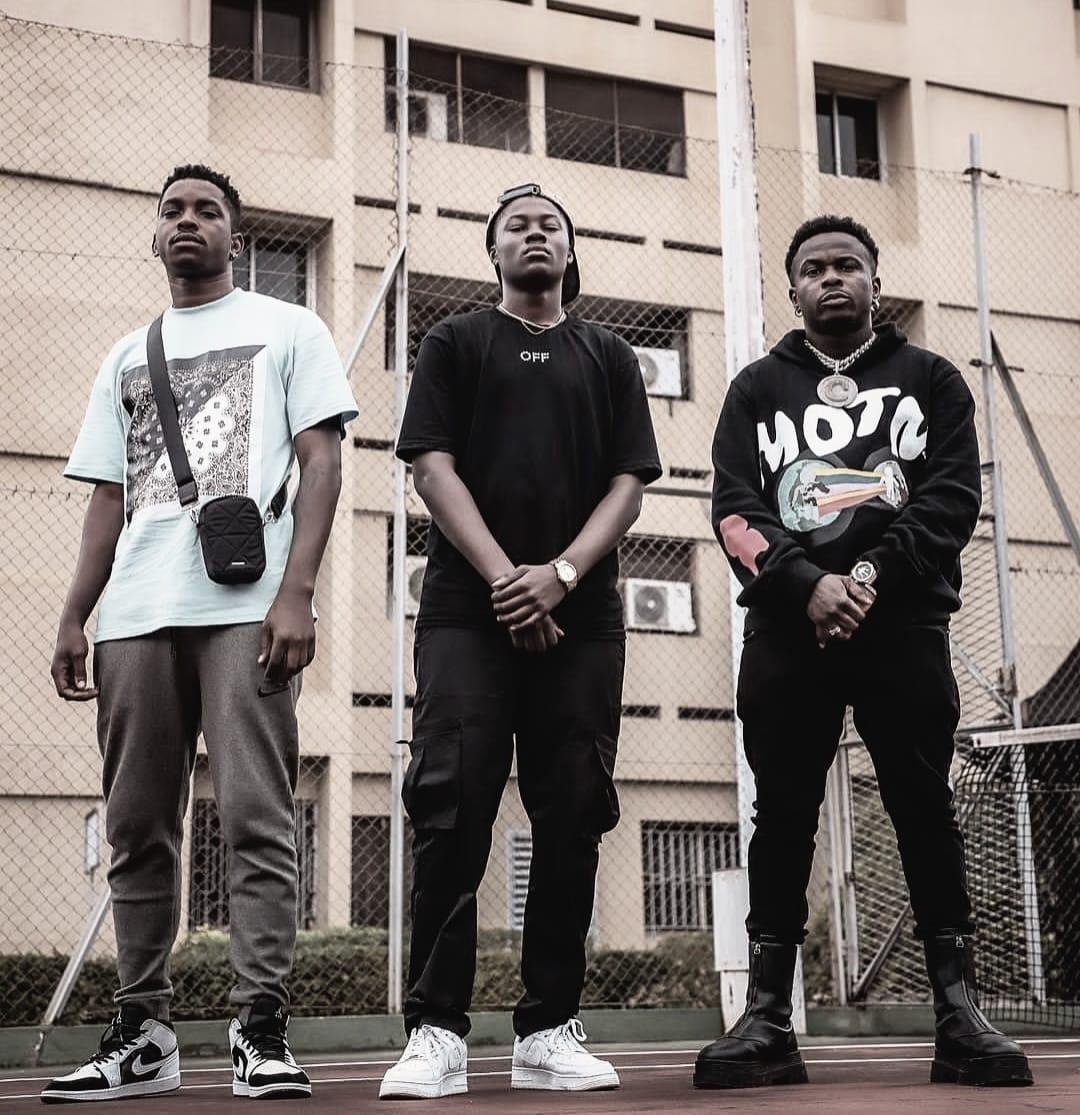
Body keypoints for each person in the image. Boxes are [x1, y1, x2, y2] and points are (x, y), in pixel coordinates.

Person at [43, 164, 358, 1103]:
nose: (188, 221)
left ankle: (259, 1027)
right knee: (138, 825)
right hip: (135, 614)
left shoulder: (289, 328)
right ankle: (143, 1030)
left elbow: (322, 463)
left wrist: (297, 592)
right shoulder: (125, 355)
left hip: (243, 608)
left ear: (235, 235)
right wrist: (75, 612)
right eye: (173, 211)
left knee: (259, 816)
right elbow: (108, 497)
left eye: (207, 210)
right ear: (155, 236)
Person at [697, 215, 1034, 1090]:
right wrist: (806, 583)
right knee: (783, 814)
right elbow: (733, 506)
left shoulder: (931, 379)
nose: (832, 278)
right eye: (814, 268)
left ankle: (958, 1012)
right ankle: (768, 1017)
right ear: (794, 290)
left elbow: (951, 496)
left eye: (848, 264)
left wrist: (868, 577)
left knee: (923, 806)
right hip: (787, 631)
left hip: (903, 628)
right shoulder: (755, 389)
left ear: (877, 284)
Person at [379, 183, 662, 1100]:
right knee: (451, 803)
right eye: (516, 227)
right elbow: (431, 469)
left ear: (570, 252)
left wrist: (563, 575)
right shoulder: (455, 341)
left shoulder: (610, 355)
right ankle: (435, 1030)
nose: (534, 234)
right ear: (493, 253)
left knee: (572, 811)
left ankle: (547, 1028)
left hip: (582, 615)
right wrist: (510, 580)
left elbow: (629, 486)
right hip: (470, 612)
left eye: (550, 226)